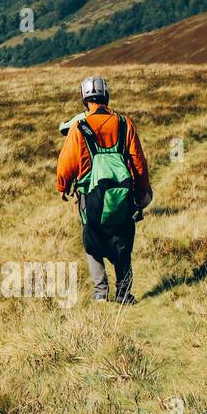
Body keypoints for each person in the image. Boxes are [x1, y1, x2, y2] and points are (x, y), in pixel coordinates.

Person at [56, 77, 152, 304]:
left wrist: (63, 186)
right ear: (106, 96)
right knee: (123, 240)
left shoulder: (79, 127)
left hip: (90, 194)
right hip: (123, 193)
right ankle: (123, 292)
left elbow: (66, 162)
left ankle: (100, 293)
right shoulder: (124, 123)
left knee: (93, 239)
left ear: (84, 99)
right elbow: (138, 161)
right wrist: (142, 190)